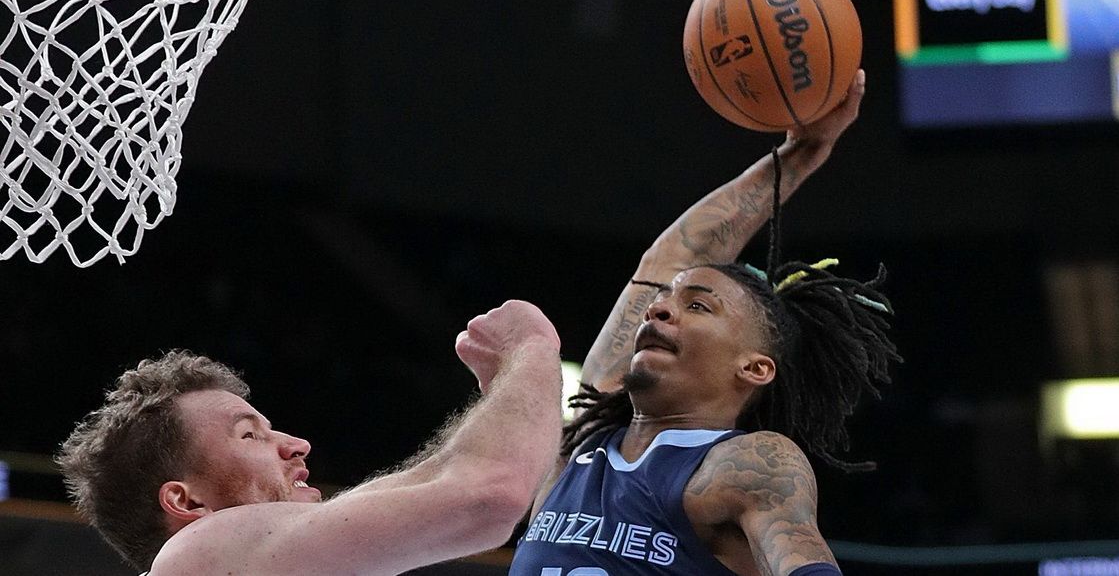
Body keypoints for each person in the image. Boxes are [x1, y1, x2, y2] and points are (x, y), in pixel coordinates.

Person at [510, 70, 900, 576]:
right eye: (663, 301)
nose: (658, 309)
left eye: (698, 306)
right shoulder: (581, 443)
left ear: (754, 367)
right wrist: (798, 155)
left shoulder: (745, 466)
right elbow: (671, 261)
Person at [56, 300, 564, 575]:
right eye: (250, 436)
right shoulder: (200, 551)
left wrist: (508, 395)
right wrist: (531, 348)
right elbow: (487, 496)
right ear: (187, 502)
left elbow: (436, 481)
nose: (296, 444)